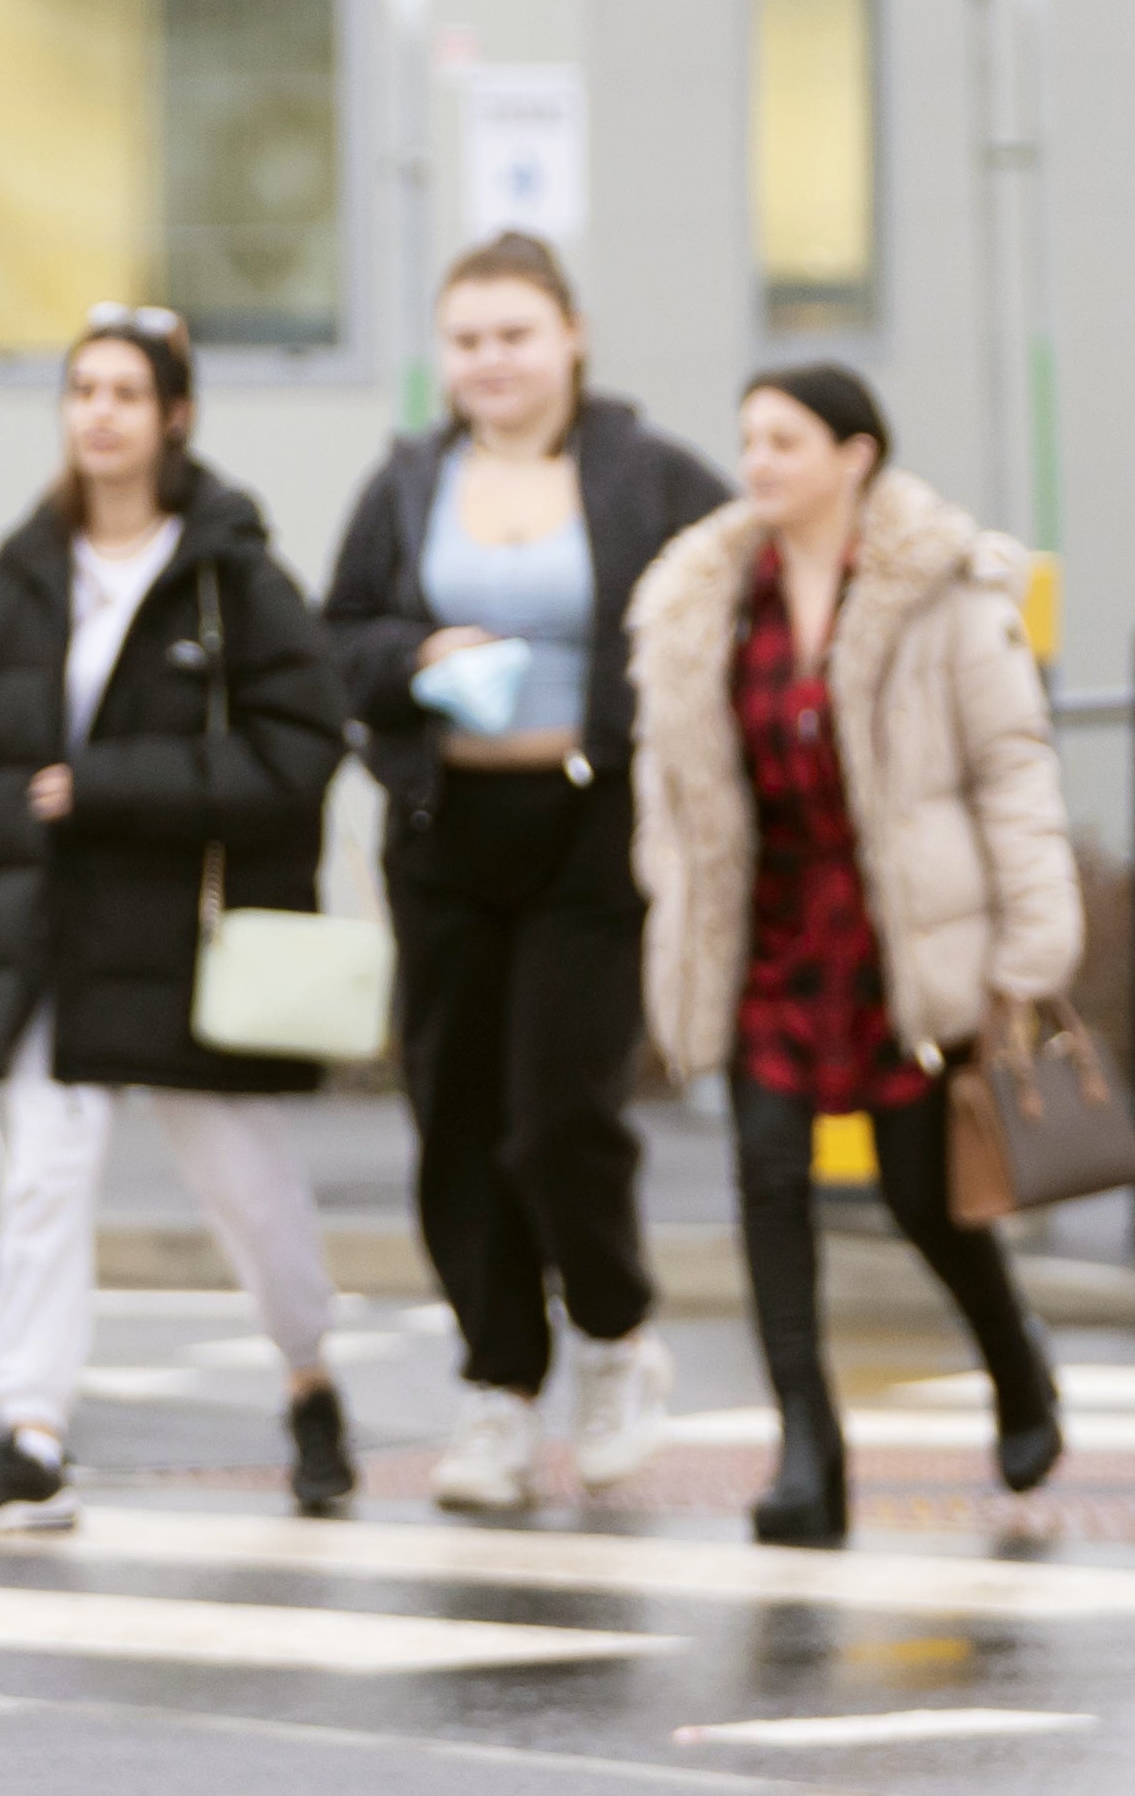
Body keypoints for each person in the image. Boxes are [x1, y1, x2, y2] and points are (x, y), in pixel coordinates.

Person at [628, 363, 1074, 1547]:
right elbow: (672, 781)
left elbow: (1012, 769)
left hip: (901, 935)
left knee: (921, 1196)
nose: (759, 461)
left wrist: (1031, 948)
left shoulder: (944, 592)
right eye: (750, 440)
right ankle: (806, 1448)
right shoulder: (710, 598)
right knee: (766, 1173)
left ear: (855, 453)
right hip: (773, 930)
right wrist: (670, 889)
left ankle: (1014, 1360)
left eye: (786, 439)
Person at [0, 307, 356, 1532]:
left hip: (189, 940)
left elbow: (306, 747)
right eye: (80, 390)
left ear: (176, 415)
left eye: (125, 391)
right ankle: (29, 1433)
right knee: (44, 1188)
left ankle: (309, 1379)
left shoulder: (233, 577)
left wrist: (114, 786)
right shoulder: (13, 581)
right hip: (56, 941)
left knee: (253, 1199)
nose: (99, 412)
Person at [319, 232, 729, 1511]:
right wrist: (413, 654)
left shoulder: (644, 474)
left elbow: (734, 589)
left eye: (514, 334)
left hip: (588, 830)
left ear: (571, 338)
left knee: (557, 1113)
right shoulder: (406, 482)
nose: (490, 362)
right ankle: (498, 1387)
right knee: (453, 1119)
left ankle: (613, 1338)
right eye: (467, 339)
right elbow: (337, 639)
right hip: (446, 832)